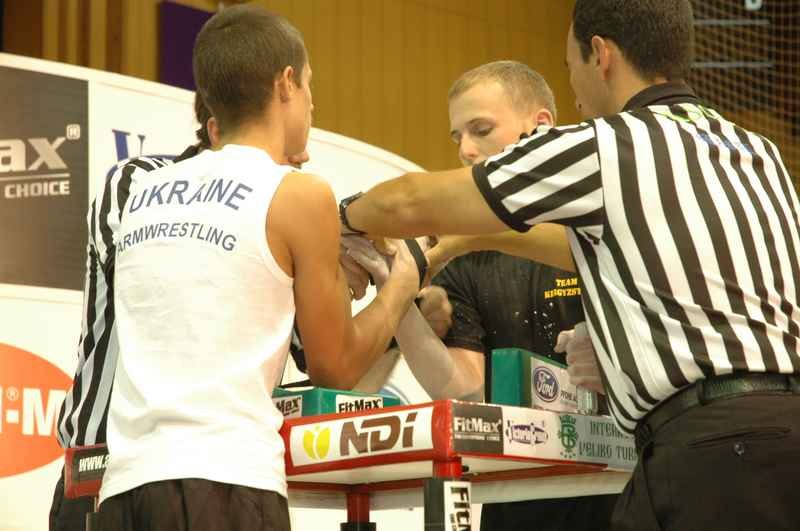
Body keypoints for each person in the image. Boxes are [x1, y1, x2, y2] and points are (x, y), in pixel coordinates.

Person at [339, 1, 800, 529]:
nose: (576, 91)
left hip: (709, 448)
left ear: (599, 55)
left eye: (570, 66)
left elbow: (408, 202)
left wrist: (339, 219)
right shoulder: (759, 153)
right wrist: (458, 245)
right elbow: (614, 246)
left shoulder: (603, 145)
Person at [95, 5, 423, 530]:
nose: (314, 104)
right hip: (226, 482)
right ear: (286, 83)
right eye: (311, 86)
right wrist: (403, 286)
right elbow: (334, 366)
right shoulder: (297, 195)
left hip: (124, 488)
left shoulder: (142, 192)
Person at [344, 60, 616, 531]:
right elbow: (464, 389)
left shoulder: (598, 216)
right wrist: (398, 290)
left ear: (541, 126)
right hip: (516, 493)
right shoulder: (464, 253)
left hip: (618, 484)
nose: (467, 150)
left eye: (481, 129)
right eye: (457, 137)